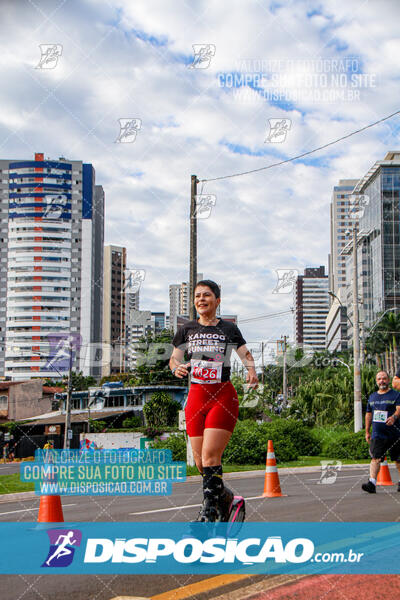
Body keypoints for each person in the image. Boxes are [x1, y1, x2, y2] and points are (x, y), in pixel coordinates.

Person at [170, 279, 258, 521]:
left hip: (222, 395)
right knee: (200, 463)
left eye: (206, 295)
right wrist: (176, 368)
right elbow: (173, 359)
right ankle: (227, 498)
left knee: (210, 457)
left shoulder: (228, 329)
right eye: (197, 296)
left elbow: (245, 353)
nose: (201, 299)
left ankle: (208, 513)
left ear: (217, 301)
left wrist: (251, 371)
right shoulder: (186, 329)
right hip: (196, 397)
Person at [362, 370, 400, 493]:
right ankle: (372, 483)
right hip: (378, 434)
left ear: (388, 380)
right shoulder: (372, 397)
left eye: (384, 378)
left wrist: (394, 417)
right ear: (376, 381)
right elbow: (368, 414)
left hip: (394, 433)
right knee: (375, 458)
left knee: (398, 459)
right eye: (379, 379)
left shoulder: (396, 395)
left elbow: (399, 409)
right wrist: (367, 431)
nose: (381, 381)